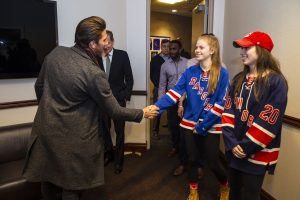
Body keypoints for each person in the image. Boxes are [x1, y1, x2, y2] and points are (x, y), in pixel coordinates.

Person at [22, 16, 159, 200]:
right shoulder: (93, 72)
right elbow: (114, 111)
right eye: (104, 40)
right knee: (71, 187)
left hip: (45, 132)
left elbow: (39, 87)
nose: (107, 43)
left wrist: (51, 110)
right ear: (93, 44)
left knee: (48, 180)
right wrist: (142, 112)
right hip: (73, 141)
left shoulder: (55, 54)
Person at [155, 34, 229, 200]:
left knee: (212, 161)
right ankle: (193, 190)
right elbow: (175, 92)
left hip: (211, 125)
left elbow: (221, 103)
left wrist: (203, 126)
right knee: (192, 159)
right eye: (196, 47)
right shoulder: (190, 71)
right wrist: (157, 107)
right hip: (189, 123)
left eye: (201, 47)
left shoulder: (222, 73)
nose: (196, 50)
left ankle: (224, 184)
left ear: (212, 50)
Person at [222, 31, 288, 200]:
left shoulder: (276, 81)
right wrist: (231, 142)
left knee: (251, 195)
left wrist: (246, 146)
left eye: (247, 47)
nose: (242, 52)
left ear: (262, 49)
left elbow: (269, 121)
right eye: (241, 48)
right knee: (234, 192)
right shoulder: (238, 79)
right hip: (235, 148)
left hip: (257, 151)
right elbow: (228, 110)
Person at [96, 30, 134, 174]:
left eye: (108, 42)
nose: (106, 46)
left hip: (118, 100)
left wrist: (125, 96)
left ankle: (119, 161)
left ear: (112, 41)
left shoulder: (122, 55)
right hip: (102, 101)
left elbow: (129, 78)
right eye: (103, 43)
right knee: (104, 131)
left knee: (119, 132)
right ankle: (109, 155)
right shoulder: (96, 57)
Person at [158, 40, 188, 158]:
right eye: (170, 49)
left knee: (185, 126)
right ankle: (175, 147)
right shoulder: (164, 66)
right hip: (172, 100)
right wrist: (161, 104)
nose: (171, 51)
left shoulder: (187, 63)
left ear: (180, 49)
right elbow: (161, 85)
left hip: (186, 100)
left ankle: (185, 149)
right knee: (173, 126)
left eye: (174, 49)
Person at [150, 39, 170, 139]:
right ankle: (155, 131)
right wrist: (157, 84)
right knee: (157, 110)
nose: (167, 48)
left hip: (171, 89)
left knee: (171, 111)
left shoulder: (172, 59)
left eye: (168, 46)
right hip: (159, 88)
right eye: (164, 46)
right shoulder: (155, 59)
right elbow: (151, 74)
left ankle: (171, 130)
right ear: (161, 47)